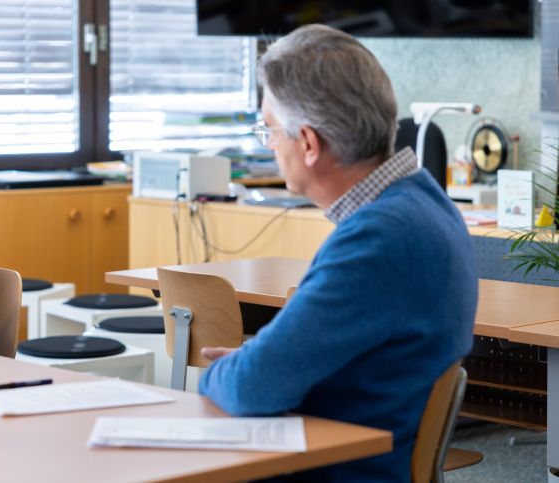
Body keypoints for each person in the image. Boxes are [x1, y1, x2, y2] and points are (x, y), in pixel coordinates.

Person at [198, 25, 477, 481]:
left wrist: (225, 373)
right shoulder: (427, 204)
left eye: (268, 131)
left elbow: (254, 386)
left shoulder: (378, 239)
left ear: (307, 143)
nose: (268, 145)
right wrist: (262, 363)